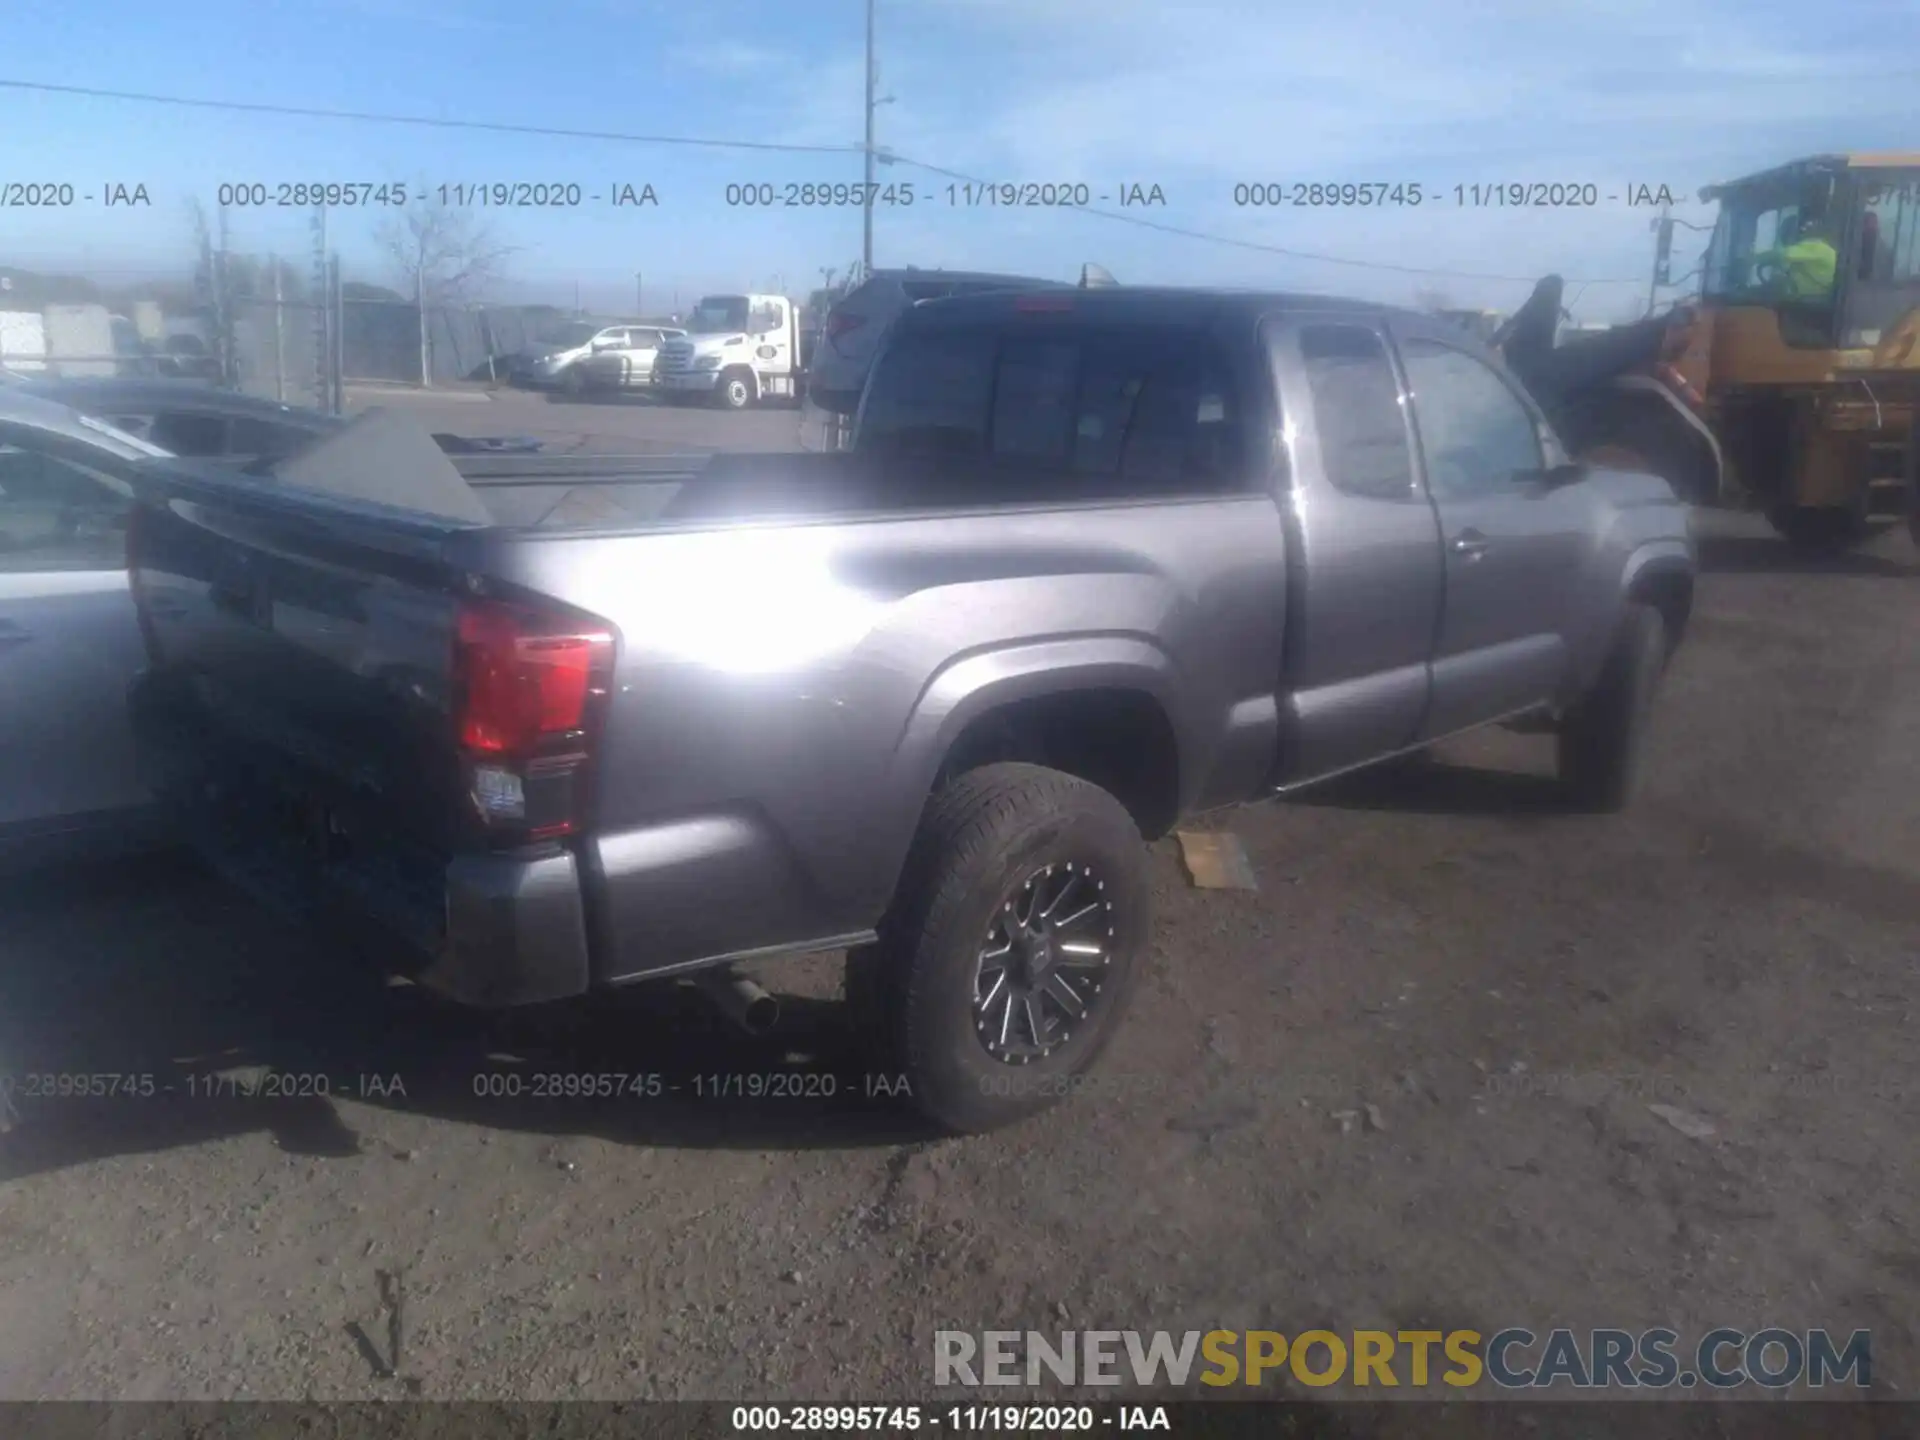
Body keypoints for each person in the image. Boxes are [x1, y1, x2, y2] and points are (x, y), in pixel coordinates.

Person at [1756, 213, 1839, 304]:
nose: (1787, 239)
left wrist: (1751, 259)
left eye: (1788, 233)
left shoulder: (1816, 247)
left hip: (1817, 306)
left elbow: (1782, 254)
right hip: (1811, 301)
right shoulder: (1807, 254)